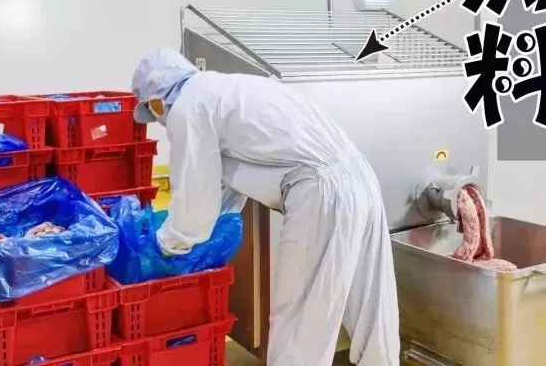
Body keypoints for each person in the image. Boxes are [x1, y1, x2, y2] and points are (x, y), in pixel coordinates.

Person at [131, 48, 400, 366]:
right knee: (371, 302)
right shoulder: (224, 89)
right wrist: (203, 229)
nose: (160, 119)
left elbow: (195, 201)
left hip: (321, 191)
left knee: (299, 319)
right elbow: (221, 186)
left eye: (154, 111)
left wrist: (163, 247)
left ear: (157, 98)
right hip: (359, 176)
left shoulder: (188, 106)